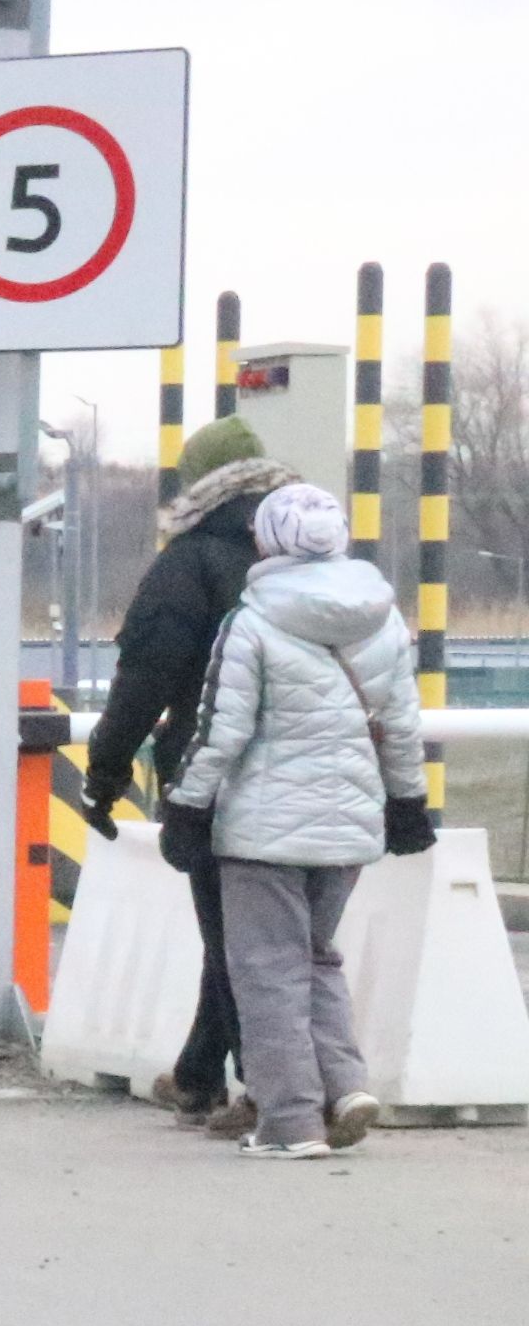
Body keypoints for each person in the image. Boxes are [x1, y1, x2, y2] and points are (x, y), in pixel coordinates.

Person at [160, 480, 433, 1160]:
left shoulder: (250, 622)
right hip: (349, 828)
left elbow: (220, 731)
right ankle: (345, 1085)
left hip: (262, 832)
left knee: (266, 971)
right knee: (317, 958)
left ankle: (290, 1122)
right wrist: (407, 806)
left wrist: (187, 806)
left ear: (268, 541)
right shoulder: (385, 620)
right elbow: (401, 728)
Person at [84, 419, 300, 1128]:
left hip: (216, 772)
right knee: (260, 930)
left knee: (232, 931)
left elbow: (147, 674)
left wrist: (107, 767)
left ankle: (267, 1095)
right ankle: (199, 1074)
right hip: (313, 770)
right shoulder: (307, 557)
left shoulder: (191, 562)